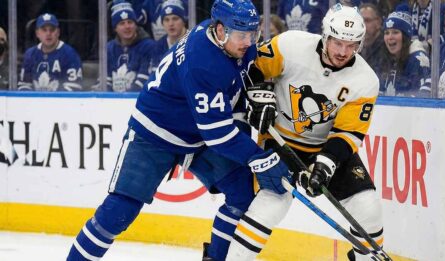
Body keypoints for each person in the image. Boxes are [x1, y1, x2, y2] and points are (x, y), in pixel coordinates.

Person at [66, 0, 291, 260]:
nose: (248, 42)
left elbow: (242, 81)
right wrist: (259, 158)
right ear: (220, 31)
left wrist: (253, 99)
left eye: (253, 34)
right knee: (119, 211)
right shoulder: (203, 62)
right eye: (242, 35)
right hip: (156, 132)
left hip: (199, 133)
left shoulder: (231, 42)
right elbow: (217, 134)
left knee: (242, 195)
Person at [226, 4, 384, 261]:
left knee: (367, 205)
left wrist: (323, 167)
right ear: (325, 35)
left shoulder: (365, 80)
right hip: (280, 141)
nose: (343, 52)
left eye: (351, 45)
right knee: (271, 204)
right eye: (337, 43)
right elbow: (252, 68)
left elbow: (347, 134)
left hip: (325, 147)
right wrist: (258, 96)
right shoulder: (290, 45)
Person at [374, 5, 431, 97]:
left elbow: (419, 99)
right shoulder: (385, 58)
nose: (390, 37)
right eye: (387, 33)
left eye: (395, 32)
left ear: (405, 37)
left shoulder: (418, 59)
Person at [17, 13, 83, 91]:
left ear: (58, 32)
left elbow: (73, 88)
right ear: (37, 33)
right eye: (44, 30)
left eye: (52, 30)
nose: (48, 34)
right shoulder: (30, 54)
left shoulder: (70, 54)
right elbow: (24, 85)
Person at [106, 0, 155, 92]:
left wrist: (122, 101)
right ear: (115, 28)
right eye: (122, 23)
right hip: (112, 102)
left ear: (136, 25)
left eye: (130, 22)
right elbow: (105, 81)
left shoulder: (149, 46)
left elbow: (144, 81)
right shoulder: (109, 48)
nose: (127, 26)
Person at [150, 0, 188, 67]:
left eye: (175, 19)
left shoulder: (193, 40)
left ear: (183, 21)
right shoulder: (159, 45)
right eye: (166, 20)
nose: (171, 24)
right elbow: (155, 74)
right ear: (162, 23)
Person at [360, 3, 387, 72]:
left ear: (379, 23)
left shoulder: (387, 48)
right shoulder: (353, 47)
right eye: (360, 21)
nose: (363, 25)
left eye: (367, 20)